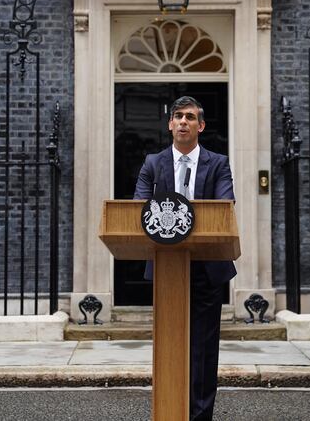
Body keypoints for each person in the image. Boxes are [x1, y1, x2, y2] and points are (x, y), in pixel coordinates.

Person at [134, 95, 235, 421]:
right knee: (170, 346)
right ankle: (168, 413)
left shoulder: (218, 163)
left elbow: (224, 209)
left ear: (201, 126)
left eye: (190, 117)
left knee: (203, 351)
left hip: (207, 268)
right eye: (178, 116)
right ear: (169, 123)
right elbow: (138, 209)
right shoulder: (153, 163)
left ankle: (200, 417)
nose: (182, 122)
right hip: (167, 268)